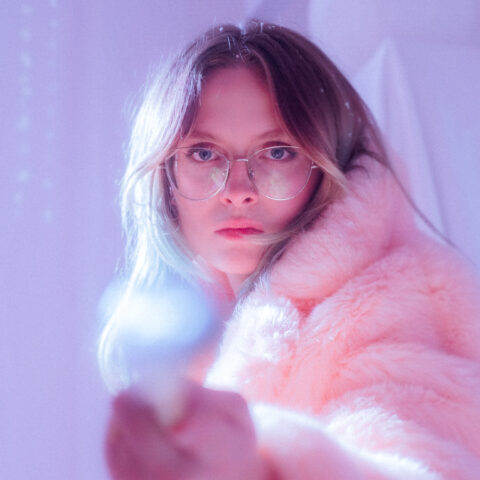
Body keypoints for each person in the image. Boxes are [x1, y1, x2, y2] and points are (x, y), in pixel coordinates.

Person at [99, 20, 480, 479]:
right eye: (204, 153)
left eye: (277, 152)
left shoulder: (398, 300)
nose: (238, 191)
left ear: (328, 164)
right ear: (167, 175)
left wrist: (260, 467)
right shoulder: (196, 333)